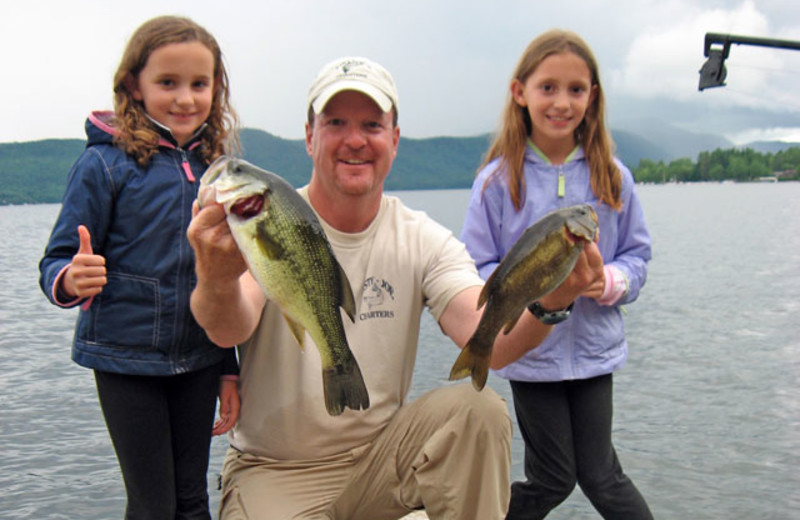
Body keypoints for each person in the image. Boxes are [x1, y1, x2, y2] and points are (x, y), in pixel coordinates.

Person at [187, 56, 602, 520]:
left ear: (395, 139)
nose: (355, 139)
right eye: (336, 122)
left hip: (383, 465)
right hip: (275, 471)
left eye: (372, 124)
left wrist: (552, 301)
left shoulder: (421, 237)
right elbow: (228, 327)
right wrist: (216, 275)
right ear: (309, 137)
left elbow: (486, 339)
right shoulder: (265, 219)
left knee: (479, 410)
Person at [39, 15, 241, 519]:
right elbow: (56, 259)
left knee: (192, 500)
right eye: (167, 83)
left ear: (216, 89)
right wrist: (70, 278)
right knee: (153, 505)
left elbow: (222, 281)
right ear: (134, 84)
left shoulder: (217, 167)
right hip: (124, 359)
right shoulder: (104, 164)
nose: (185, 98)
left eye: (199, 84)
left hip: (199, 356)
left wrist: (229, 368)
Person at [460, 30, 654, 520]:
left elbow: (637, 256)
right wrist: (527, 304)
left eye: (575, 89)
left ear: (593, 98)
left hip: (594, 354)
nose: (561, 102)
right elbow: (478, 266)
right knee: (552, 477)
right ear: (519, 93)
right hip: (532, 358)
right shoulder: (495, 182)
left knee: (601, 475)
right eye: (548, 87)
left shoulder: (614, 176)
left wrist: (609, 283)